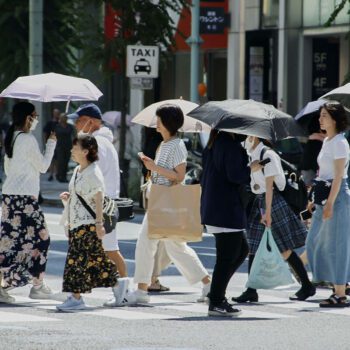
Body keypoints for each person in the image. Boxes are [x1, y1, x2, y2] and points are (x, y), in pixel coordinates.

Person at [131, 103, 211, 304]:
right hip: (161, 200)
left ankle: (141, 291)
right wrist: (152, 167)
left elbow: (180, 175)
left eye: (158, 120)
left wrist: (153, 167)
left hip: (165, 202)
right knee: (177, 248)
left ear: (167, 123)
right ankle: (208, 284)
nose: (155, 123)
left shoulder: (176, 145)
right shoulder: (165, 144)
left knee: (146, 244)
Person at [232, 135, 315, 303]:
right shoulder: (253, 155)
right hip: (259, 202)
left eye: (247, 136)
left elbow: (270, 187)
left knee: (284, 249)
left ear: (254, 136)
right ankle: (251, 289)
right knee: (254, 246)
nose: (244, 139)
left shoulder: (268, 155)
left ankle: (307, 285)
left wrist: (268, 213)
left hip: (272, 203)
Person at [67, 103, 129, 305]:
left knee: (92, 252)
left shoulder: (97, 143)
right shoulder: (104, 142)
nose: (76, 124)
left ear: (91, 122)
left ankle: (78, 297)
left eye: (79, 120)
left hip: (98, 208)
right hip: (101, 206)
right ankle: (121, 291)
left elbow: (93, 177)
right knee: (106, 251)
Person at [0, 101, 56, 303]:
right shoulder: (28, 139)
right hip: (25, 198)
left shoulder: (11, 138)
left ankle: (5, 286)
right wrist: (51, 144)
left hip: (9, 197)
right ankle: (38, 285)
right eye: (34, 115)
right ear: (27, 118)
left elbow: (8, 170)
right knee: (42, 238)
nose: (36, 119)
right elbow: (43, 166)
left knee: (9, 243)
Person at [56, 134, 119, 311]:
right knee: (98, 261)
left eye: (75, 148)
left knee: (75, 262)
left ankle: (76, 298)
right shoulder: (78, 170)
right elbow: (82, 194)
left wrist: (99, 224)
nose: (71, 151)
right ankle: (120, 288)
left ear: (85, 151)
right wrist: (69, 198)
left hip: (88, 224)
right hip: (76, 223)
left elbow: (99, 197)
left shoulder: (93, 171)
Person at [201, 130, 250, 317]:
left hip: (215, 206)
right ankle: (216, 300)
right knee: (227, 256)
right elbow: (236, 176)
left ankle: (216, 294)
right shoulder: (229, 146)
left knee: (240, 250)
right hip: (226, 208)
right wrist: (251, 168)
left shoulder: (214, 143)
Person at [306, 102, 350, 308]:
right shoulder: (328, 141)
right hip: (324, 194)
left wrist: (331, 203)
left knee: (338, 245)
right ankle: (338, 283)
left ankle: (340, 292)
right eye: (320, 115)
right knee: (314, 242)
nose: (320, 119)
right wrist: (313, 198)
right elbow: (322, 173)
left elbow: (339, 176)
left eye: (324, 116)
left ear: (334, 119)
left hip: (337, 195)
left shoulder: (340, 142)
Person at [54, 113, 75, 182]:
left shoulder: (70, 126)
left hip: (68, 146)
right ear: (60, 118)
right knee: (61, 161)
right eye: (63, 117)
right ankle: (60, 176)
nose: (64, 119)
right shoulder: (57, 126)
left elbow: (74, 136)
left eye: (65, 117)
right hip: (59, 146)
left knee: (66, 162)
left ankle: (64, 176)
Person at [43, 108, 60, 181]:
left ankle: (57, 173)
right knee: (52, 159)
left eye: (58, 113)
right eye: (55, 113)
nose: (57, 115)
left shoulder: (60, 123)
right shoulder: (50, 123)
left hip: (59, 144)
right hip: (51, 143)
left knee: (58, 159)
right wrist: (45, 142)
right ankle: (51, 174)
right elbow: (45, 132)